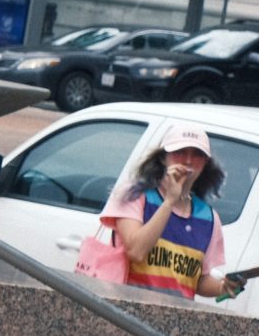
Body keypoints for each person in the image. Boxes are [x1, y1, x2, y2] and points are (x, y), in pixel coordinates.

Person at [91, 126, 248, 299]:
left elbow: (199, 280)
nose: (188, 160)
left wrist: (224, 288)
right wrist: (169, 202)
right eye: (179, 152)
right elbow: (136, 251)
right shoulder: (135, 196)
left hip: (174, 319)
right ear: (164, 158)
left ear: (205, 163)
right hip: (126, 310)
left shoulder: (209, 218)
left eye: (197, 154)